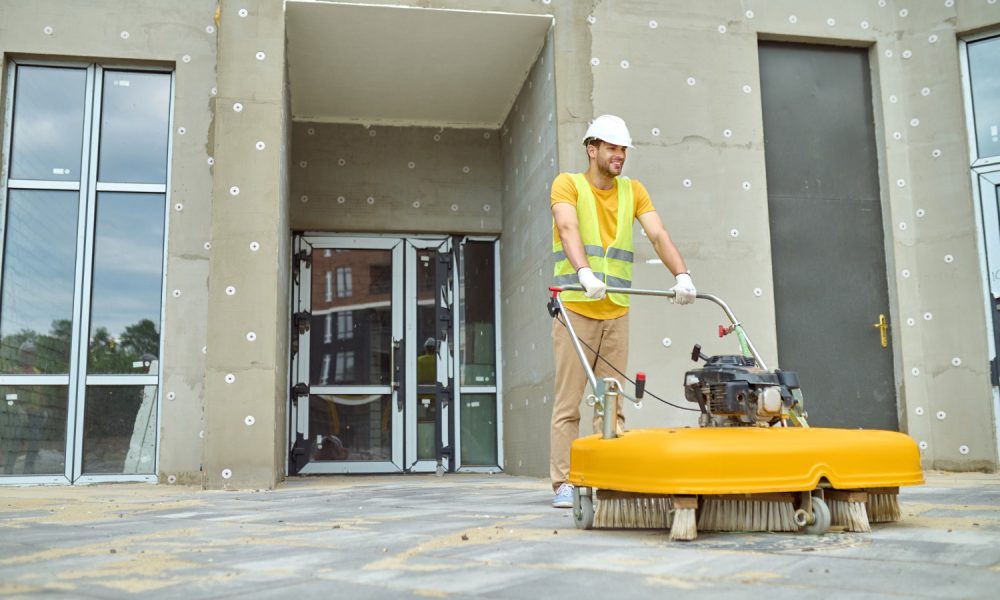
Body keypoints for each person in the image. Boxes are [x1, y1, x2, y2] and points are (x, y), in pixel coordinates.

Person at [549, 115, 696, 508]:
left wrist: (682, 275)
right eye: (612, 148)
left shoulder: (634, 191)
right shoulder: (568, 184)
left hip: (616, 310)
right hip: (577, 307)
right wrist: (583, 272)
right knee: (569, 402)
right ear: (591, 149)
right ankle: (563, 483)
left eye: (623, 149)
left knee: (611, 399)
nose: (619, 155)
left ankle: (608, 478)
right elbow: (567, 229)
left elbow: (658, 234)